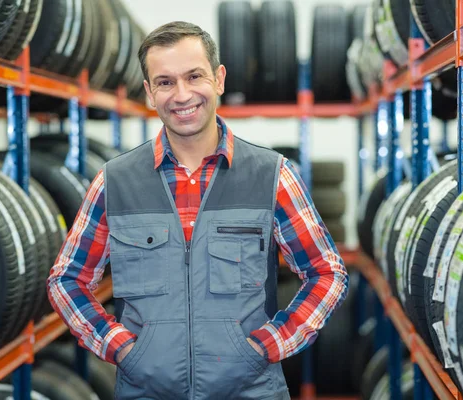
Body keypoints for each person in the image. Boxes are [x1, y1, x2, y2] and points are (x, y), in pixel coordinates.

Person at [47, 21, 349, 400]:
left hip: (250, 391)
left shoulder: (272, 176)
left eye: (194, 76)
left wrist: (270, 344)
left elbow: (327, 273)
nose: (182, 94)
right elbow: (66, 280)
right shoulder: (115, 181)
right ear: (149, 93)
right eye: (165, 82)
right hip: (147, 392)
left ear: (219, 79)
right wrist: (119, 346)